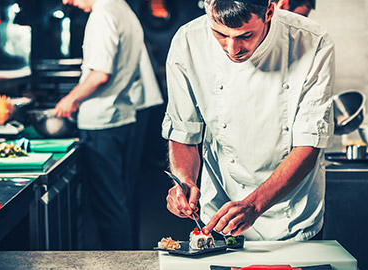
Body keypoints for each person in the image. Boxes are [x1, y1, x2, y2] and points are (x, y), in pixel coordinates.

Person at [162, 0, 334, 241]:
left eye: (245, 35)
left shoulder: (312, 40)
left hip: (292, 217)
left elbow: (309, 143)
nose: (232, 49)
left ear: (270, 12)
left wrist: (254, 205)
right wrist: (185, 181)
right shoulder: (188, 41)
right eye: (220, 34)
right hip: (220, 213)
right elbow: (183, 131)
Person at [56, 0, 151, 250]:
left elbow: (100, 74)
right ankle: (131, 262)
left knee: (109, 206)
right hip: (124, 117)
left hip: (102, 124)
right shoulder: (124, 9)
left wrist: (69, 100)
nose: (66, 1)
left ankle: (119, 264)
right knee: (123, 201)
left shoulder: (103, 13)